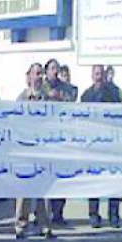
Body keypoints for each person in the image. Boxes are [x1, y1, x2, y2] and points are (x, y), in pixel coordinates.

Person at [15, 63, 55, 240]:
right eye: (36, 73)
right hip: (26, 148)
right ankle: (21, 225)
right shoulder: (21, 98)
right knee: (24, 189)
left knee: (44, 190)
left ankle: (44, 224)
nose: (39, 77)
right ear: (29, 76)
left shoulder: (48, 99)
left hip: (43, 149)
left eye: (41, 74)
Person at [81, 65, 122, 228]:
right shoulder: (86, 95)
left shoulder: (113, 93)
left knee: (114, 181)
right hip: (94, 144)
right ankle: (94, 215)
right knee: (95, 181)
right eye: (96, 74)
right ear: (92, 75)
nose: (99, 77)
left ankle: (114, 216)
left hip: (111, 143)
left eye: (101, 74)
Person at [42, 59, 75, 226]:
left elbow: (72, 105)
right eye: (52, 68)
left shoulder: (65, 88)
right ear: (46, 71)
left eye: (57, 69)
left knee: (62, 178)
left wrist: (62, 99)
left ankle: (58, 213)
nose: (55, 72)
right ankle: (43, 216)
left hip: (62, 139)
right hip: (45, 140)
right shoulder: (41, 87)